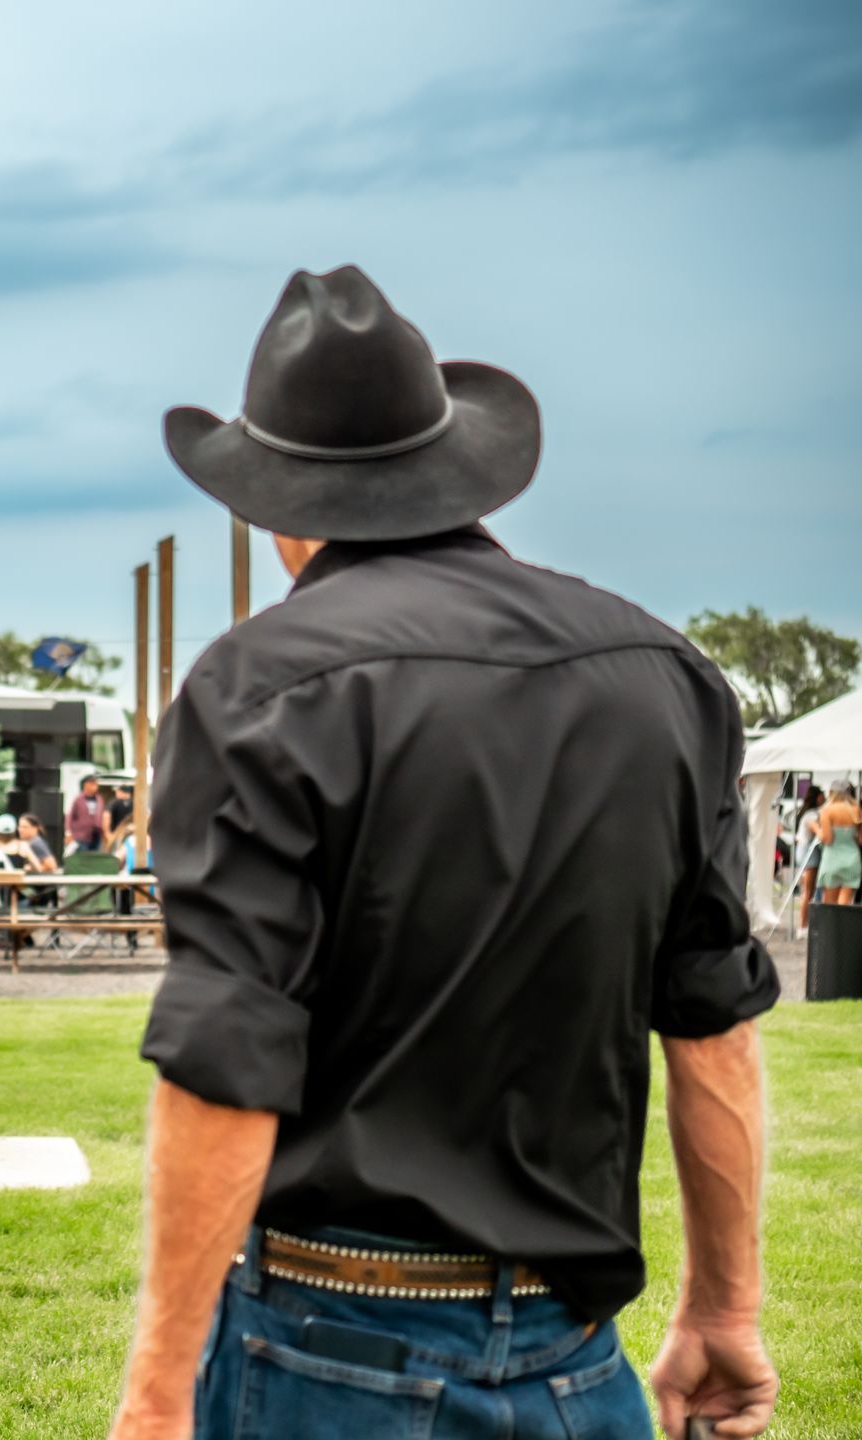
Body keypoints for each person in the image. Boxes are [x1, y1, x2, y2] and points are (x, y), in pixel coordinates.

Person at [110, 266, 780, 1440]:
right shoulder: (664, 676)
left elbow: (229, 1051)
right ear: (455, 461)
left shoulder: (257, 684)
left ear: (273, 500)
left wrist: (157, 1394)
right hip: (578, 1361)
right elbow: (712, 1029)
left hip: (331, 1343)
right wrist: (727, 1306)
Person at [813, 780, 861, 906]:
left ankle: (831, 926)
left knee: (829, 904)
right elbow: (860, 839)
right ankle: (843, 926)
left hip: (832, 859)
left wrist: (815, 828)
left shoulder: (827, 811)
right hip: (852, 859)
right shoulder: (856, 810)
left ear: (831, 793)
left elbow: (827, 839)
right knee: (845, 904)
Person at [795, 784, 824, 929]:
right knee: (808, 891)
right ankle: (803, 925)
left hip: (802, 850)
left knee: (806, 891)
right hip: (808, 852)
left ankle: (804, 923)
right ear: (818, 797)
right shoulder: (813, 814)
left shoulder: (806, 812)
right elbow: (819, 832)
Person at [66, 775, 105, 854]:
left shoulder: (99, 799)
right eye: (93, 784)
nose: (95, 786)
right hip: (82, 835)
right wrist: (68, 831)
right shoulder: (78, 799)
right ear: (86, 785)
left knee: (95, 854)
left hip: (96, 833)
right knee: (83, 855)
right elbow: (70, 816)